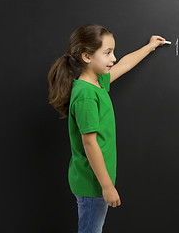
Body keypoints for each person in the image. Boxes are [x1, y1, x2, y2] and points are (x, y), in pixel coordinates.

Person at [47, 24, 166, 233]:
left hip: (94, 182)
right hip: (93, 184)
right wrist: (107, 186)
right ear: (86, 57)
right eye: (108, 52)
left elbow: (125, 64)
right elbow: (89, 142)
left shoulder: (97, 83)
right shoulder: (86, 95)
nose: (113, 58)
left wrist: (150, 47)